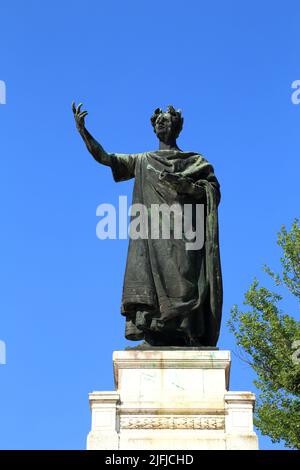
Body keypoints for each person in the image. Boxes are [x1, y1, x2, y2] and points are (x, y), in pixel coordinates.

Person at [72, 103, 222, 347]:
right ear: (154, 129)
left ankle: (187, 333)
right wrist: (83, 132)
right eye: (158, 121)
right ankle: (154, 335)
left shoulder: (195, 162)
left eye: (167, 120)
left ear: (178, 127)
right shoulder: (143, 161)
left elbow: (211, 192)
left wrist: (185, 186)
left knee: (186, 282)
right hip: (152, 236)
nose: (162, 124)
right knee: (151, 283)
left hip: (186, 234)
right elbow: (107, 158)